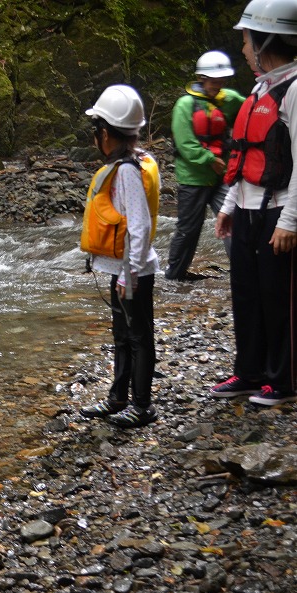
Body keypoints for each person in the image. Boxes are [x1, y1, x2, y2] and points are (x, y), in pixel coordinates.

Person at [211, 0, 297, 407]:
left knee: (279, 299)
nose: (243, 49)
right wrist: (228, 205)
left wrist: (291, 222)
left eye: (246, 39)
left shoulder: (294, 89)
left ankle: (283, 381)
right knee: (246, 294)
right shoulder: (260, 89)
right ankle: (250, 373)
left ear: (265, 41)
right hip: (247, 209)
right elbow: (246, 160)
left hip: (279, 211)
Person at [78, 84, 161, 428]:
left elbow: (139, 227)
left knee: (139, 337)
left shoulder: (126, 171)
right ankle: (118, 399)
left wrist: (130, 275)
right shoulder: (130, 163)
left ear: (107, 134)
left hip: (133, 271)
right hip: (124, 269)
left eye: (96, 130)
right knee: (123, 335)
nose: (95, 137)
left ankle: (142, 406)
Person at [166, 51, 245, 281]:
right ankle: (174, 275)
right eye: (214, 82)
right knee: (189, 229)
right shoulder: (184, 105)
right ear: (201, 78)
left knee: (232, 218)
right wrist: (210, 160)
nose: (218, 86)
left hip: (221, 177)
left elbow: (250, 109)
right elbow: (186, 144)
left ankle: (242, 270)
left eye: (222, 82)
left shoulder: (229, 99)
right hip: (193, 177)